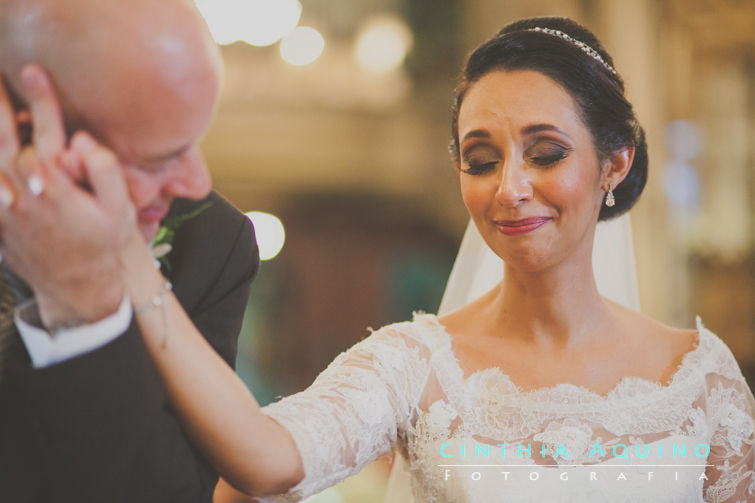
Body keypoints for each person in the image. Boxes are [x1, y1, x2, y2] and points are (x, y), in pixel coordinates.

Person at [3, 15, 754, 502]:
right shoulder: (413, 363)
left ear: (614, 162)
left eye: (546, 152)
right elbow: (263, 462)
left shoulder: (702, 377)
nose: (510, 188)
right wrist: (125, 265)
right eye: (480, 158)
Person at [0, 1, 258, 502]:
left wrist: (85, 308)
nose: (196, 182)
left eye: (195, 141)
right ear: (28, 131)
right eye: (156, 157)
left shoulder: (209, 244)